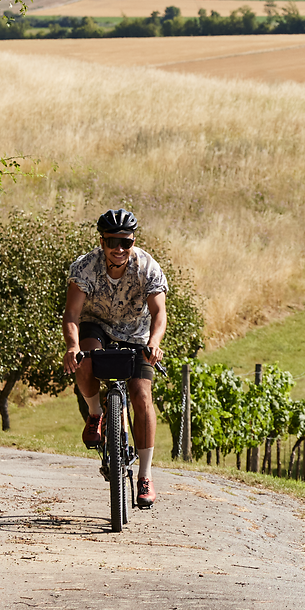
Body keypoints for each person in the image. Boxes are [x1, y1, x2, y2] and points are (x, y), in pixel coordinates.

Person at [62, 208, 170, 509]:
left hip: (137, 333)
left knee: (140, 394)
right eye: (112, 242)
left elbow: (159, 312)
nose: (119, 249)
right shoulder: (85, 267)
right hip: (98, 326)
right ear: (102, 242)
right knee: (85, 360)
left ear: (133, 241)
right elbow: (72, 314)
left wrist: (154, 343)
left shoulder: (147, 267)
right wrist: (72, 346)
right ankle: (96, 413)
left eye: (126, 242)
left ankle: (145, 476)